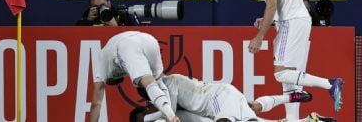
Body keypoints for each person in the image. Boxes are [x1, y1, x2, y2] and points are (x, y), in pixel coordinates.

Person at [236, 0, 343, 119]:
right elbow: (286, 1)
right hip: (300, 20)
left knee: (281, 74)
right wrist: (268, 21)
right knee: (290, 84)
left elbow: (271, 5)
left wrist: (259, 36)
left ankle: (330, 84)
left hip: (290, 23)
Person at [130, 74, 336, 122]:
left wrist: (147, 118)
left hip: (218, 99)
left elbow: (170, 114)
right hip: (224, 96)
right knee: (253, 110)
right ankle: (308, 118)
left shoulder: (171, 82)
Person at [90, 31, 179, 122]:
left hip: (126, 45)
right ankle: (169, 115)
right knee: (159, 81)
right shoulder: (121, 65)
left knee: (148, 82)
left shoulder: (101, 68)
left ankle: (172, 117)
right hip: (149, 39)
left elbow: (96, 104)